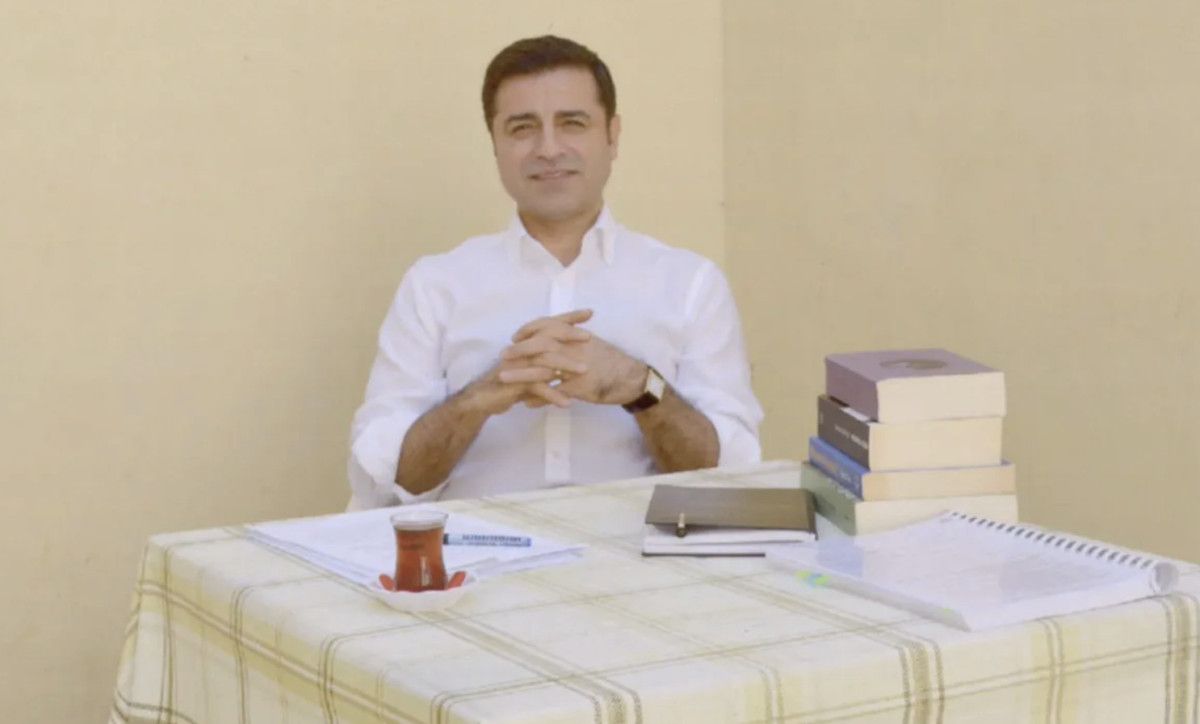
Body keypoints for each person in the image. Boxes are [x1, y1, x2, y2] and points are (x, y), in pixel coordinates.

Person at [347, 35, 762, 509]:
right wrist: (481, 396)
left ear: (612, 136)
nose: (548, 148)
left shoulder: (691, 285)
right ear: (495, 144)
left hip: (639, 546)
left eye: (572, 123)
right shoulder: (434, 286)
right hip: (470, 545)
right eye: (522, 128)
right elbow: (382, 481)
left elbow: (732, 478)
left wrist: (639, 386)